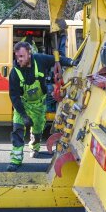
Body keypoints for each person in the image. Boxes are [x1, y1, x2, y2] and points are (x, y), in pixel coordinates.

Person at [7, 41, 78, 172]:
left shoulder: (40, 59)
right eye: (17, 56)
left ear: (29, 54)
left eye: (21, 56)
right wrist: (23, 114)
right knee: (17, 131)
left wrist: (71, 62)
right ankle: (15, 160)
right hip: (23, 105)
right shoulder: (14, 73)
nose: (19, 59)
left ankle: (34, 150)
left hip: (39, 105)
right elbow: (14, 96)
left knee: (38, 130)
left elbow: (58, 60)